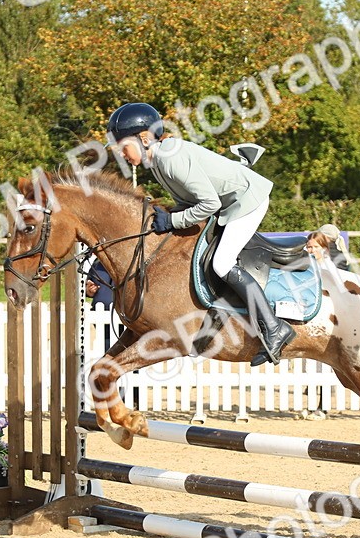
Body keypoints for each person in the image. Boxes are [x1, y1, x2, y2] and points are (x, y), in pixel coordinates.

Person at [107, 102, 294, 366]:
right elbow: (189, 201)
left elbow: (209, 204)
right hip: (229, 203)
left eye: (123, 146)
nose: (121, 153)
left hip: (246, 201)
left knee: (222, 263)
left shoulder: (169, 158)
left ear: (144, 138)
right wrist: (169, 216)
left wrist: (173, 220)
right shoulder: (158, 161)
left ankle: (275, 328)